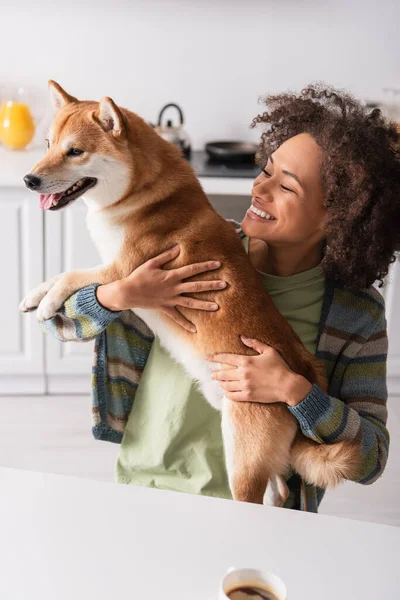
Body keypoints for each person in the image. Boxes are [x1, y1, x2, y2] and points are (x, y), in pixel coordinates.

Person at [42, 84, 400, 512]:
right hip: (145, 483)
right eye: (265, 170)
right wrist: (118, 295)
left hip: (254, 512)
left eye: (286, 187)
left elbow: (370, 458)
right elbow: (57, 323)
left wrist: (295, 391)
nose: (258, 191)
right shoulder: (191, 240)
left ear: (339, 215)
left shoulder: (356, 314)